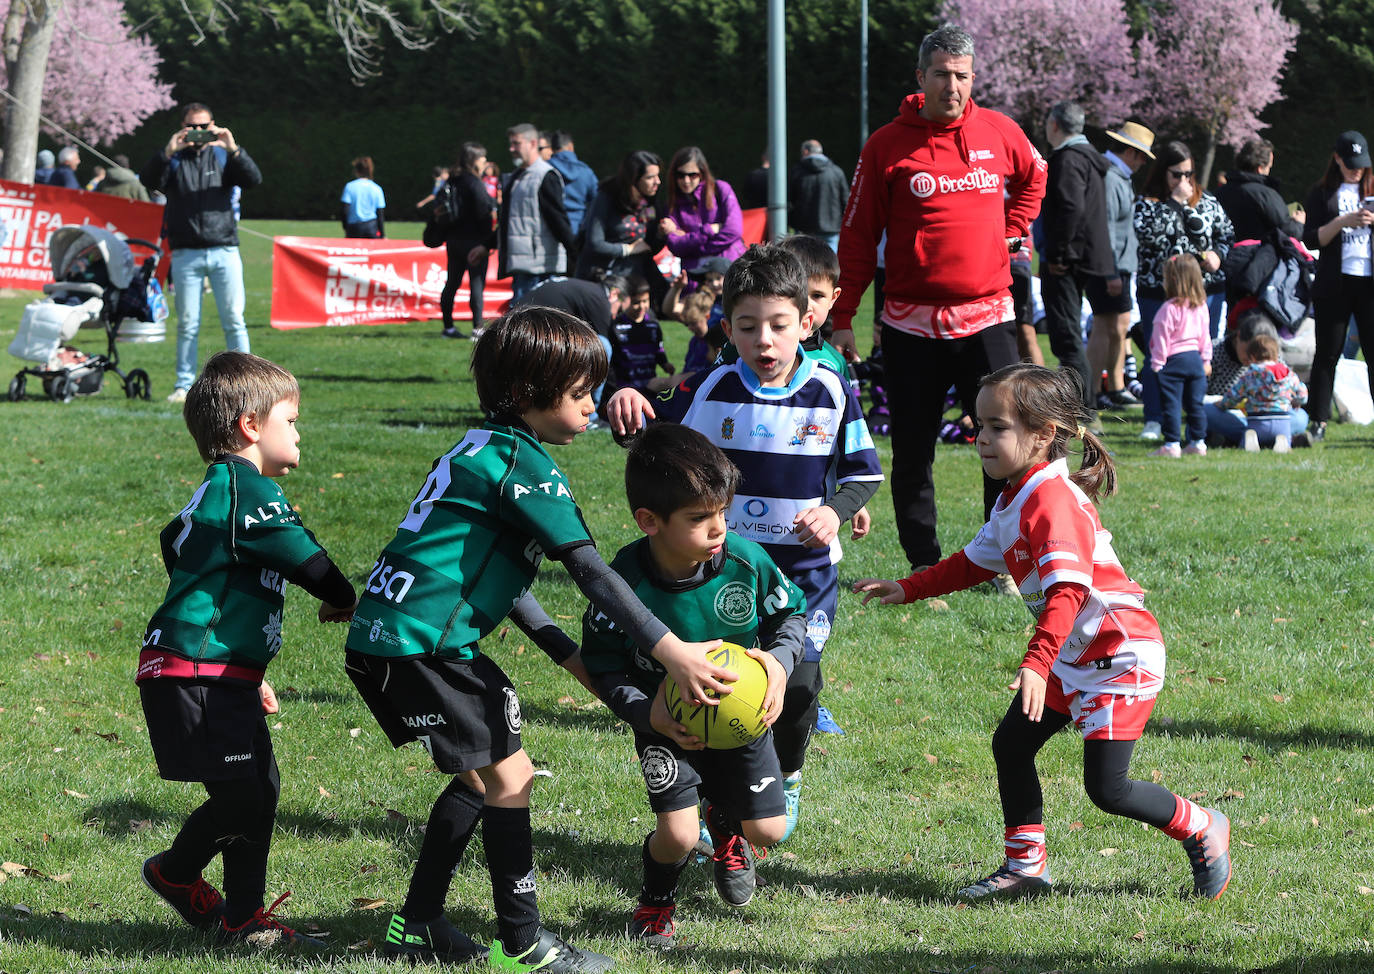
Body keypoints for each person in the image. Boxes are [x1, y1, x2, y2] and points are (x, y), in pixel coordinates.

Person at [344, 307, 733, 972]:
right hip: (423, 645)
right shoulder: (526, 466)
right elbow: (592, 573)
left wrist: (586, 670)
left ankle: (417, 925)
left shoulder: (481, 448)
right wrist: (673, 651)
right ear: (528, 396)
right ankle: (522, 943)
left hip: (392, 637)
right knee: (510, 776)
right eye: (581, 394)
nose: (594, 407)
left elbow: (510, 590)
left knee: (477, 775)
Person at [852, 363, 1233, 903]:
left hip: (1119, 656)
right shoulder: (1016, 496)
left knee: (1109, 789)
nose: (979, 437)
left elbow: (1067, 595)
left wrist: (1035, 664)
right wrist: (907, 588)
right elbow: (974, 562)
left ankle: (1202, 825)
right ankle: (1026, 868)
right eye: (979, 424)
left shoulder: (1053, 502)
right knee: (1013, 744)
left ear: (1043, 435)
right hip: (1074, 653)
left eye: (996, 427)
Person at [606, 243, 883, 845]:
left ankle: (786, 772)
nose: (764, 341)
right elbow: (658, 443)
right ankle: (714, 796)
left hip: (805, 575)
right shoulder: (708, 388)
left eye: (779, 326)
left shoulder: (832, 389)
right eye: (749, 327)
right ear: (727, 327)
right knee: (721, 683)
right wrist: (630, 407)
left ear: (806, 323)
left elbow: (864, 471)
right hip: (723, 573)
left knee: (799, 680)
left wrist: (837, 513)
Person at [137, 351, 357, 948]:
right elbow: (300, 553)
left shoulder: (213, 493)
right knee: (244, 794)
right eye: (291, 420)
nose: (299, 432)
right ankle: (201, 891)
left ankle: (219, 900)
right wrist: (343, 596)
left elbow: (177, 549)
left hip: (209, 670)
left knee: (258, 789)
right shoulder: (247, 489)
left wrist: (242, 668)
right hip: (196, 673)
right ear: (250, 427)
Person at [830, 23, 1047, 573]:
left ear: (973, 79)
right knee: (913, 447)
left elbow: (1035, 175)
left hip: (989, 317)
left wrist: (1014, 227)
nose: (953, 86)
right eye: (943, 75)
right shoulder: (886, 145)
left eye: (963, 76)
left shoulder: (999, 131)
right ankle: (925, 565)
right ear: (920, 78)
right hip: (910, 326)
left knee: (1007, 441)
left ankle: (1000, 561)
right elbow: (856, 235)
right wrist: (842, 315)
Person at [581, 423, 804, 944]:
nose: (719, 528)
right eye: (700, 518)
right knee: (678, 834)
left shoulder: (748, 562)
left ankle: (725, 827)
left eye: (723, 512)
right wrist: (646, 714)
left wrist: (778, 663)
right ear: (649, 521)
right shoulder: (623, 586)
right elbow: (603, 665)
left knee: (770, 830)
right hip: (666, 727)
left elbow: (793, 616)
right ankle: (656, 904)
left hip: (746, 719)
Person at [141, 102, 263, 403]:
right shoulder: (174, 160)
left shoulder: (222, 154)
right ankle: (184, 385)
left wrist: (233, 148)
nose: (197, 132)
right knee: (187, 323)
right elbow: (146, 180)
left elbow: (253, 179)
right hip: (186, 253)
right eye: (191, 126)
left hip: (224, 248)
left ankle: (246, 384)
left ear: (213, 126)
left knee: (234, 318)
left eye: (203, 126)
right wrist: (166, 152)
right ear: (183, 128)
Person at [1133, 140, 1234, 439]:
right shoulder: (1147, 203)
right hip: (1158, 293)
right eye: (1176, 174)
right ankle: (1155, 417)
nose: (1183, 181)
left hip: (1205, 292)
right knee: (1159, 354)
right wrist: (1175, 203)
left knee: (1201, 353)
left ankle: (1197, 422)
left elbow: (1226, 233)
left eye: (1188, 174)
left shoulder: (1207, 201)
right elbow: (1148, 236)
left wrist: (1218, 254)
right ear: (1163, 172)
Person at [1300, 130, 1374, 444]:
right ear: (1337, 158)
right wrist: (1344, 221)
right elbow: (1312, 238)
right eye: (1350, 163)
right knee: (1327, 355)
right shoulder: (1321, 193)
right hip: (1334, 283)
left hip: (1369, 284)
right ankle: (1318, 422)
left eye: (1361, 163)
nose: (1356, 169)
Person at [1040, 102, 1112, 414]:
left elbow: (1071, 208)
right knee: (1071, 334)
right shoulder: (1088, 158)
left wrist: (1057, 252)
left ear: (1054, 125)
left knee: (1066, 336)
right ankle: (1083, 404)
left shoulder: (1068, 159)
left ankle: (1083, 408)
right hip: (1089, 257)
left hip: (1067, 259)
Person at [1087, 122, 1155, 409]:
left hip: (1117, 266)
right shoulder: (1111, 178)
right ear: (1129, 151)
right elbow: (1107, 229)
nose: (1142, 163)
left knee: (1117, 326)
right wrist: (1111, 270)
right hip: (1110, 267)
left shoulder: (1116, 176)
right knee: (1105, 325)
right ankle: (1092, 391)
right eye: (1141, 156)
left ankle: (1113, 386)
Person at [514, 274, 629, 418]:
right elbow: (605, 354)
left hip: (518, 323)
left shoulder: (587, 289)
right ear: (614, 294)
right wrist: (613, 393)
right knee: (604, 347)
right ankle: (592, 416)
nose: (614, 317)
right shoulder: (600, 299)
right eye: (619, 310)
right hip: (530, 329)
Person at [575, 150, 666, 306]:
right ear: (633, 179)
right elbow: (595, 243)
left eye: (658, 176)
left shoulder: (651, 202)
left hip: (636, 278)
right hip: (602, 276)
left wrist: (661, 234)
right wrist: (628, 249)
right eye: (650, 177)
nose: (657, 182)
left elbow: (649, 248)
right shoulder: (607, 198)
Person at [497, 123, 577, 300]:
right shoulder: (516, 177)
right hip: (522, 264)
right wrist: (485, 245)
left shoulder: (545, 175)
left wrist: (575, 253)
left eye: (516, 143)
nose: (511, 149)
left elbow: (558, 219)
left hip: (542, 266)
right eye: (510, 144)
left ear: (533, 143)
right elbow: (509, 220)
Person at [431, 142, 497, 339]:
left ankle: (448, 327)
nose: (485, 162)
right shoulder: (474, 183)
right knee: (476, 284)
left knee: (452, 283)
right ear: (474, 160)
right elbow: (483, 211)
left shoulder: (452, 180)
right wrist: (488, 240)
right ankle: (478, 327)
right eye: (483, 158)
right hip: (475, 240)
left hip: (453, 240)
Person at [1147, 255, 1211, 458]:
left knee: (1171, 405)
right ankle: (1198, 442)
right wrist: (1206, 360)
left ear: (1173, 280)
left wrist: (1157, 365)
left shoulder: (1168, 309)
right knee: (1195, 404)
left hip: (1173, 362)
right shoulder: (1200, 306)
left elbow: (1161, 339)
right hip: (1195, 360)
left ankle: (1172, 444)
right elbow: (1205, 336)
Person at [660, 146, 745, 275]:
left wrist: (692, 244)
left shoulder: (721, 189)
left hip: (728, 270)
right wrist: (709, 230)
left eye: (692, 175)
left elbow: (734, 230)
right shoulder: (672, 204)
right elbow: (675, 246)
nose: (686, 180)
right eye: (680, 175)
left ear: (702, 173)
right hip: (694, 278)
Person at [1218, 332, 1309, 452]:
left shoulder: (1250, 374)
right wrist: (1296, 401)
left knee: (1248, 436)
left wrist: (1223, 404)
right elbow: (1303, 395)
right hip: (1282, 422)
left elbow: (1234, 395)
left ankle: (1250, 441)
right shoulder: (1288, 373)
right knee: (1287, 433)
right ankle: (1283, 442)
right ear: (1276, 356)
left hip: (1257, 422)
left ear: (1252, 357)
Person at [1215, 138, 1305, 244]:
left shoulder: (1220, 192)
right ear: (1260, 168)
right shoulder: (1266, 195)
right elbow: (1289, 233)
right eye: (1269, 167)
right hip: (1257, 256)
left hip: (1222, 254)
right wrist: (1298, 223)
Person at [609, 275, 674, 394]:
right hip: (626, 386)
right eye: (636, 302)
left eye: (645, 301)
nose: (641, 306)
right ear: (626, 300)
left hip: (650, 383)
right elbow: (612, 361)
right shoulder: (616, 326)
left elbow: (658, 349)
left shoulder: (653, 325)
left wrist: (665, 364)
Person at [788, 139, 848, 251]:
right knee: (830, 261)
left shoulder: (797, 171)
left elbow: (790, 198)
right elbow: (845, 199)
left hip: (804, 225)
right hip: (831, 225)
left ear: (805, 151)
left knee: (805, 260)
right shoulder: (836, 171)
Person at [547, 130, 599, 238]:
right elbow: (597, 201)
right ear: (571, 146)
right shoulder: (586, 171)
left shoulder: (546, 170)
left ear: (551, 149)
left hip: (550, 230)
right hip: (579, 228)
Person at [341, 156, 386, 239]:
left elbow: (345, 211)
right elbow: (380, 214)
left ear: (356, 171)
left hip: (354, 228)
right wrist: (382, 234)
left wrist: (346, 228)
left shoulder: (349, 187)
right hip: (371, 227)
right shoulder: (377, 188)